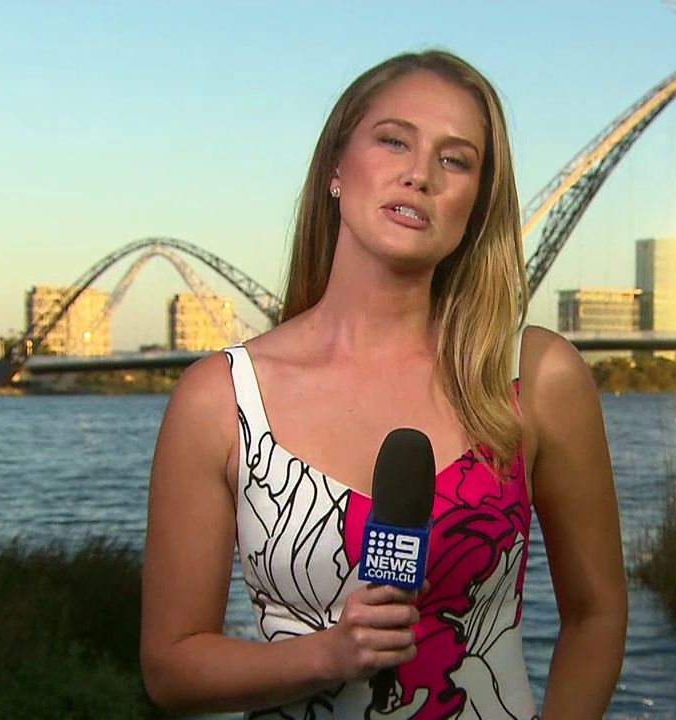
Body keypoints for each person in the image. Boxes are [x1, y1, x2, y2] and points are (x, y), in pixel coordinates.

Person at [141, 50, 627, 719]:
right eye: (394, 141)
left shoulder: (535, 378)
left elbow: (597, 612)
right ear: (337, 168)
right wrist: (327, 655)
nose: (421, 174)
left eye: (455, 160)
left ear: (475, 206)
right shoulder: (219, 400)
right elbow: (170, 668)